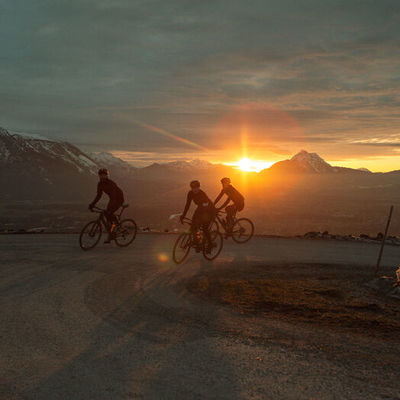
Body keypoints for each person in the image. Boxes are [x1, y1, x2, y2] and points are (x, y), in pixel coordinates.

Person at [89, 168, 124, 243]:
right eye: (100, 175)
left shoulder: (111, 183)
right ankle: (111, 234)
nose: (102, 177)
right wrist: (92, 204)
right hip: (112, 199)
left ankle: (118, 225)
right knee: (107, 216)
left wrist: (110, 209)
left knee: (110, 213)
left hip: (119, 199)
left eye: (104, 175)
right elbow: (98, 195)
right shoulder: (100, 184)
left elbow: (114, 197)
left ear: (106, 176)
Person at [180, 180, 215, 253]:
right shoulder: (190, 193)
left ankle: (210, 244)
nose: (195, 189)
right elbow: (187, 205)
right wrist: (183, 215)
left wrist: (200, 220)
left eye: (196, 187)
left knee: (204, 228)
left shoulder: (202, 194)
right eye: (193, 188)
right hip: (200, 209)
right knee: (193, 226)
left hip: (209, 211)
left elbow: (205, 208)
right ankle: (198, 243)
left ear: (199, 187)